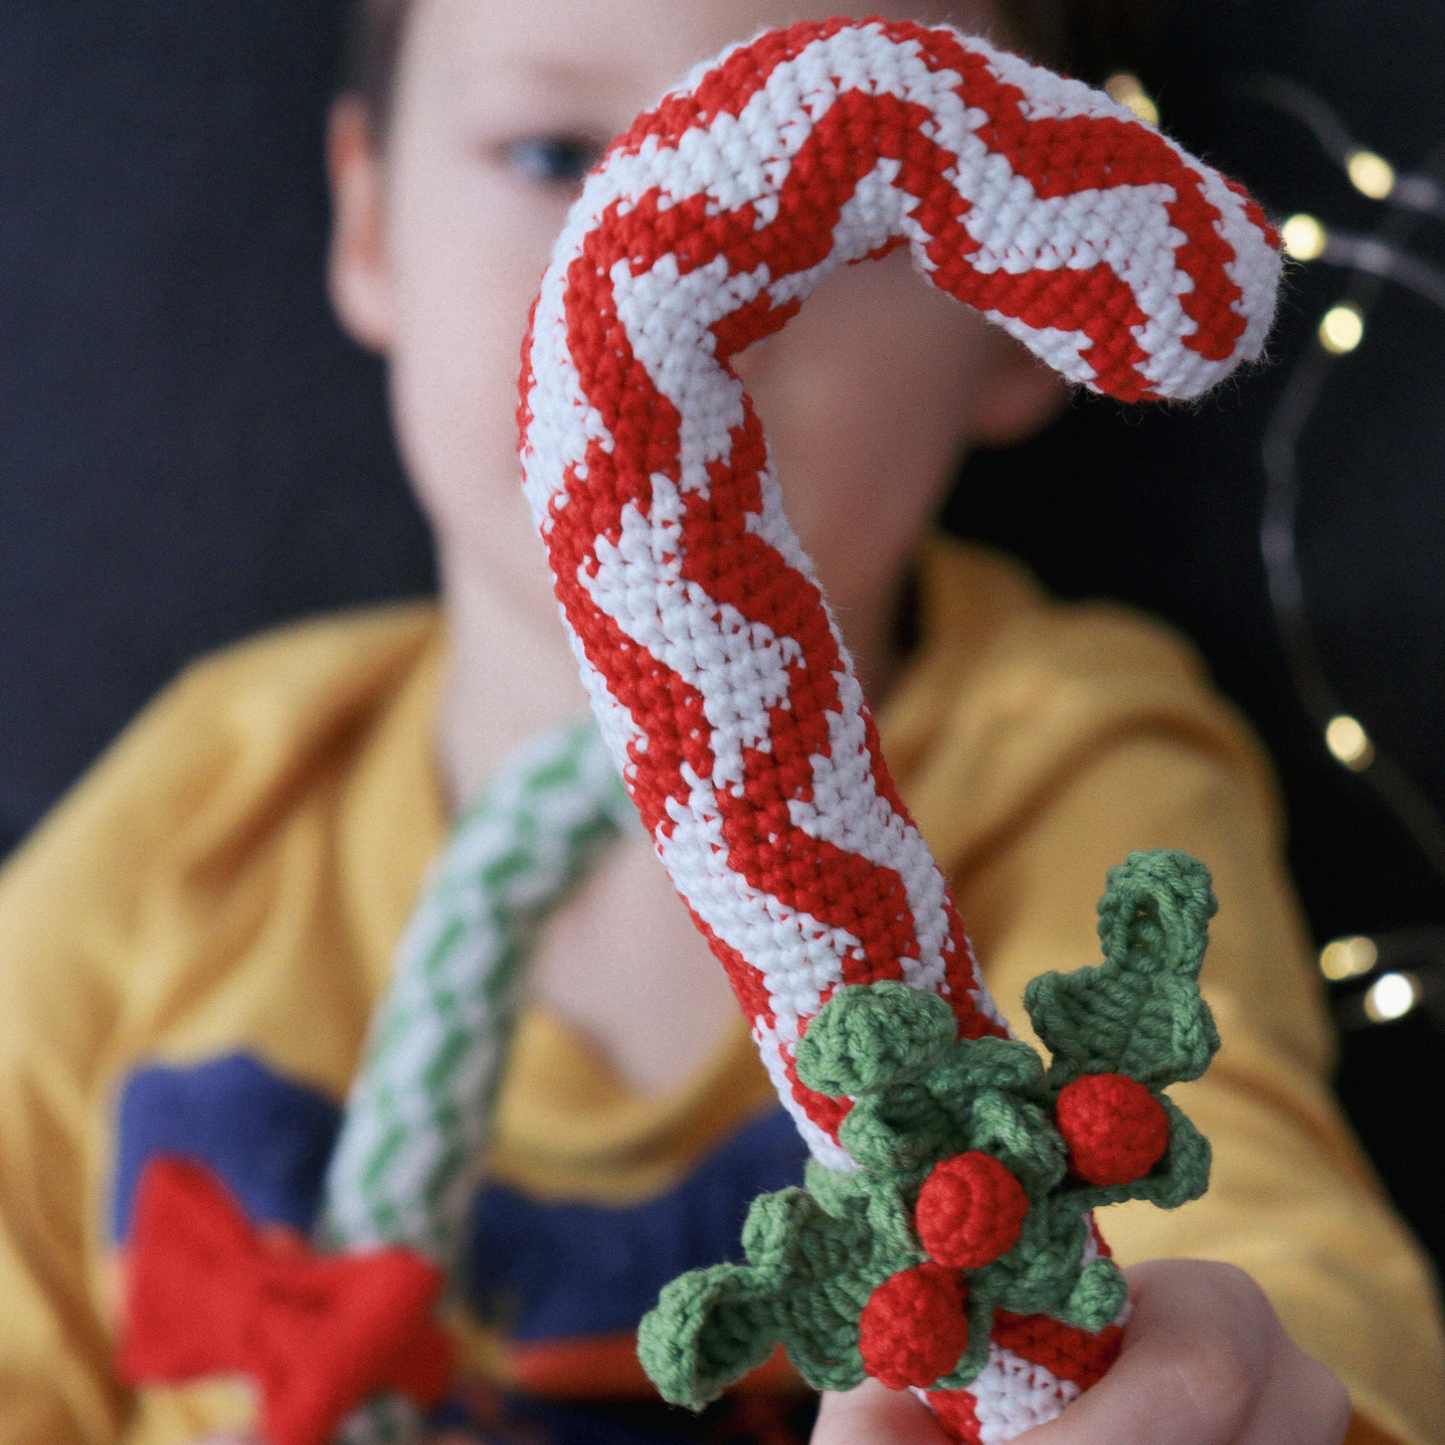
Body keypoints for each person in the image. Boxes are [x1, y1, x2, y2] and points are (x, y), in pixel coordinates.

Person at [0, 1, 1440, 1443]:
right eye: (555, 150)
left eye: (844, 223)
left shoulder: (1063, 758)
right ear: (370, 221)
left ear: (1012, 323)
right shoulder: (199, 816)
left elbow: (1252, 1195)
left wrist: (1239, 1386)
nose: (676, 279)